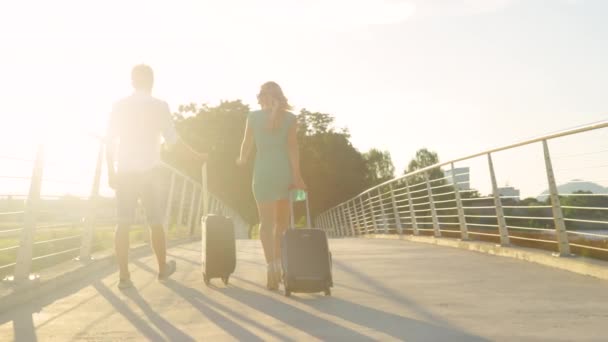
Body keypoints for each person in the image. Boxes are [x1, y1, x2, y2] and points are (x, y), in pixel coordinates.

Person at [106, 64, 206, 289]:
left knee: (123, 223)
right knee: (155, 222)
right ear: (151, 82)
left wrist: (110, 171)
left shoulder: (119, 106)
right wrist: (197, 156)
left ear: (132, 81)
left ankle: (124, 277)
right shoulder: (159, 106)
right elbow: (173, 140)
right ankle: (162, 269)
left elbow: (110, 141)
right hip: (150, 172)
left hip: (125, 172)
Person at [237, 81, 306, 290]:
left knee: (265, 224)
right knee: (282, 225)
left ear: (261, 98)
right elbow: (293, 148)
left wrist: (241, 159)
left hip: (263, 173)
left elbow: (246, 143)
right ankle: (280, 262)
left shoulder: (253, 117)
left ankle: (271, 267)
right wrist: (297, 176)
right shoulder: (291, 119)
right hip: (283, 173)